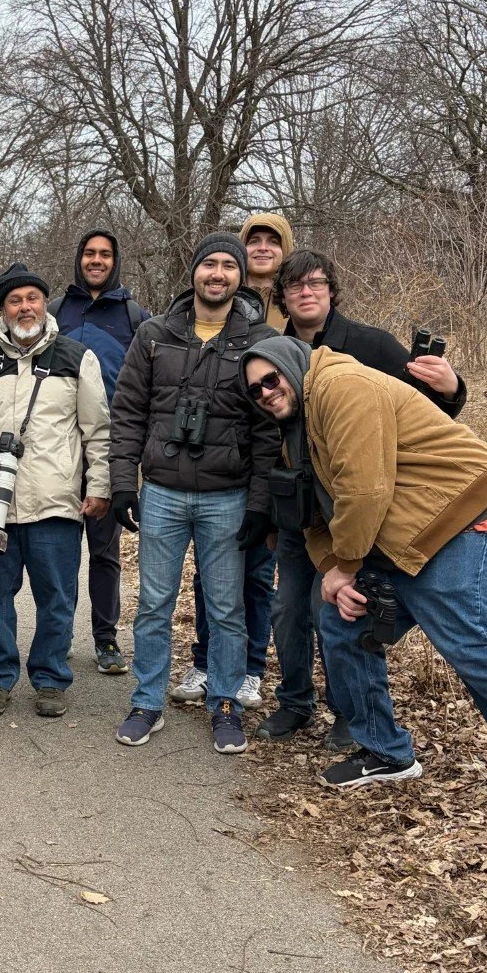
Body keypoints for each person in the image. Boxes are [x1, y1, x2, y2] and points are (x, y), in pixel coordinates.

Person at [242, 335, 487, 830]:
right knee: (339, 620)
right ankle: (386, 752)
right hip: (401, 536)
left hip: (461, 518)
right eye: (255, 389)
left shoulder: (340, 386)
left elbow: (364, 489)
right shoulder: (297, 430)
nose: (266, 392)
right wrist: (334, 568)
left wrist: (346, 567)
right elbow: (310, 515)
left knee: (472, 646)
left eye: (272, 379)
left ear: (293, 365)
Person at [257, 250, 468, 746]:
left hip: (355, 513)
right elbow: (264, 439)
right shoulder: (269, 355)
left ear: (332, 290)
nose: (306, 292)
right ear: (282, 298)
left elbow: (425, 415)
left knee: (334, 608)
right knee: (288, 611)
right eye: (294, 286)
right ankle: (294, 703)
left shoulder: (369, 345)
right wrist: (266, 513)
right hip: (299, 514)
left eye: (316, 283)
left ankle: (350, 713)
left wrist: (453, 387)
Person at [108, 233, 278, 754]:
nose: (218, 274)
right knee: (154, 604)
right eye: (210, 264)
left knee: (225, 607)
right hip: (162, 490)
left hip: (227, 495)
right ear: (194, 272)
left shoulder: (259, 340)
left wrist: (260, 503)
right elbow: (129, 411)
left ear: (240, 278)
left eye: (229, 265)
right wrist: (121, 482)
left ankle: (225, 702)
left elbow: (269, 428)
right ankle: (146, 701)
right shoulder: (155, 335)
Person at [0, 262, 111, 716]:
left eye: (33, 298)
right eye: (15, 300)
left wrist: (99, 486)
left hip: (55, 503)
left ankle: (50, 679)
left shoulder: (77, 357)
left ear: (45, 303)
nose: (25, 307)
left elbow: (97, 431)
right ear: (2, 309)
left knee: (57, 597)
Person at [170, 209, 293, 713]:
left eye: (273, 241)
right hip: (224, 466)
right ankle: (207, 658)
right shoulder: (216, 306)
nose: (263, 248)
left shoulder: (292, 306)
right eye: (254, 240)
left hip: (280, 457)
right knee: (214, 574)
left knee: (258, 572)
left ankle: (250, 669)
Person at [50, 228, 149, 675]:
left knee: (105, 551)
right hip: (57, 449)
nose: (96, 260)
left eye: (105, 254)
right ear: (78, 258)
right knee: (60, 549)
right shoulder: (55, 312)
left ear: (115, 261)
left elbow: (147, 384)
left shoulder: (134, 316)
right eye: (89, 253)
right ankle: (60, 634)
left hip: (111, 448)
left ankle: (106, 639)